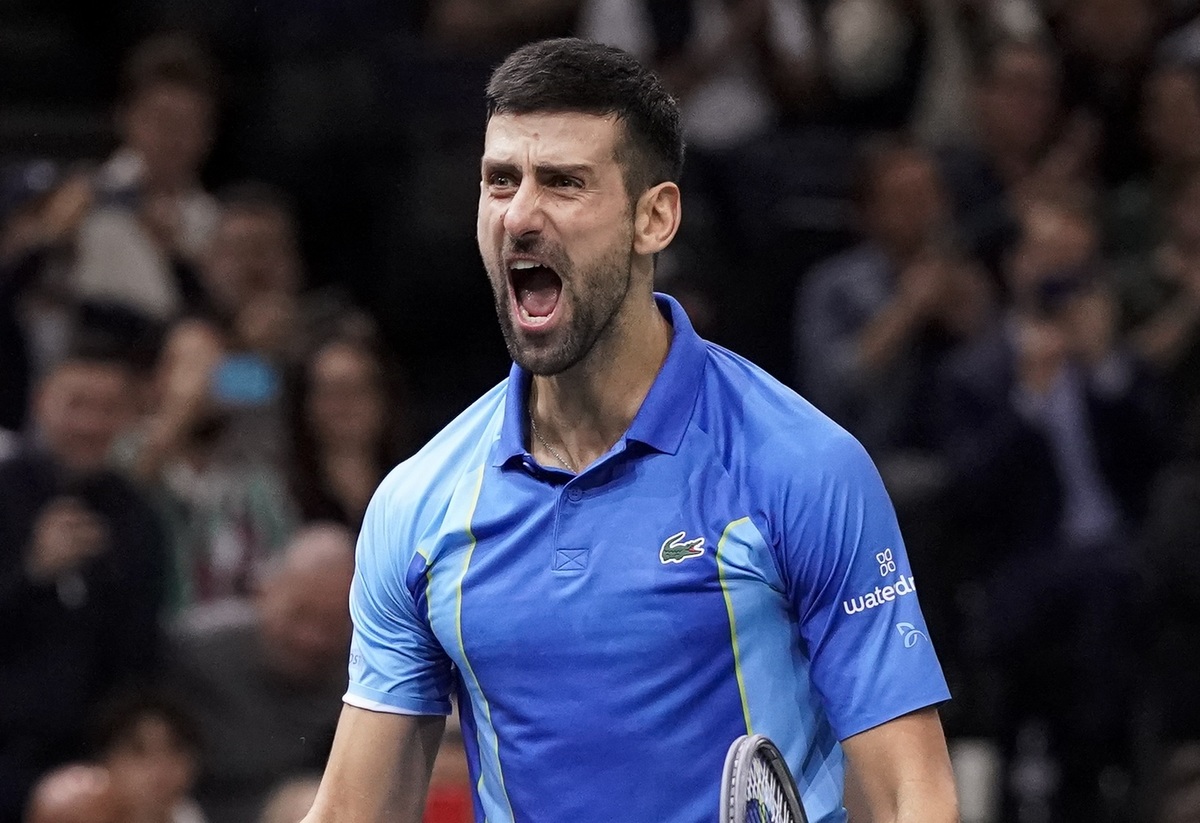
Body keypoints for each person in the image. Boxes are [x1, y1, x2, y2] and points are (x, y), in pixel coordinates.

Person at [302, 38, 957, 823]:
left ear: (655, 216)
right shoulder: (418, 505)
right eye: (501, 180)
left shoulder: (801, 467)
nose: (520, 215)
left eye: (564, 182)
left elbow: (913, 796)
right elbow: (351, 813)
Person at [0, 342, 169, 823]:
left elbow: (142, 649)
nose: (91, 425)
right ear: (41, 403)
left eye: (108, 409)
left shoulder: (137, 515)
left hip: (97, 752)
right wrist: (33, 571)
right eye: (77, 405)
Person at [165, 523, 355, 823]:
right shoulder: (194, 652)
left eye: (332, 623)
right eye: (300, 614)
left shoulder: (363, 674)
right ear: (264, 591)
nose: (312, 637)